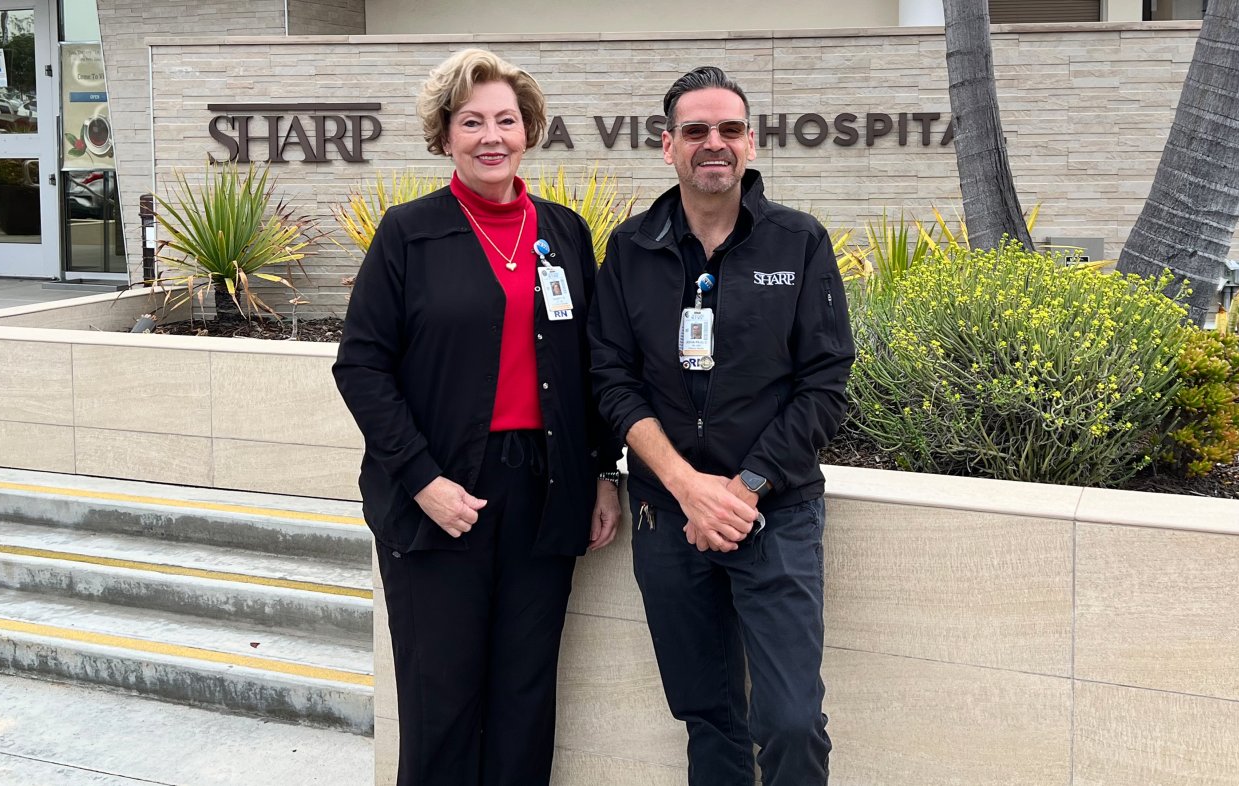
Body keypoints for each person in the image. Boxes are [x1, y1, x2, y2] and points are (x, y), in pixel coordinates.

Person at [333, 48, 622, 786]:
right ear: (444, 135)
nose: (491, 135)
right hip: (440, 496)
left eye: (506, 119)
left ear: (528, 130)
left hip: (545, 492)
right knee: (442, 702)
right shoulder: (409, 234)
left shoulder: (565, 231)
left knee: (526, 697)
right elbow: (361, 366)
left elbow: (593, 367)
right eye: (472, 122)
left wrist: (600, 473)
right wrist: (423, 479)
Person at [588, 66, 854, 786]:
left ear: (752, 142)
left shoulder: (799, 243)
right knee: (709, 716)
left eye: (730, 130)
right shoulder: (630, 249)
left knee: (791, 721)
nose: (715, 144)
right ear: (667, 145)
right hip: (665, 517)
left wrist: (742, 489)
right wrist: (685, 487)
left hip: (776, 513)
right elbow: (611, 379)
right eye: (697, 131)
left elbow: (825, 382)